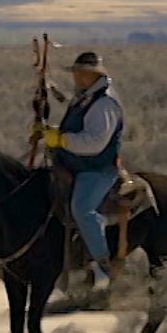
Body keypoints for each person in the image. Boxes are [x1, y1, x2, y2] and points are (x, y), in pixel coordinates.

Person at [44, 50, 126, 291]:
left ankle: (103, 265)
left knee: (82, 209)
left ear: (92, 75)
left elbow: (95, 142)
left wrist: (60, 140)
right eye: (76, 73)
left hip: (98, 168)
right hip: (75, 163)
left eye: (80, 73)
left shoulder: (105, 104)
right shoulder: (86, 97)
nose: (76, 78)